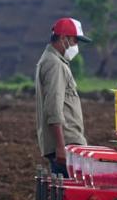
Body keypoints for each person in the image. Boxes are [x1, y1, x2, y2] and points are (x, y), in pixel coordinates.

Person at [35, 17, 92, 176]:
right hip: (67, 146)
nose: (76, 46)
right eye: (75, 41)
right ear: (63, 38)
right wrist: (61, 146)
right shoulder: (55, 64)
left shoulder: (51, 60)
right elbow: (53, 107)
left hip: (67, 145)